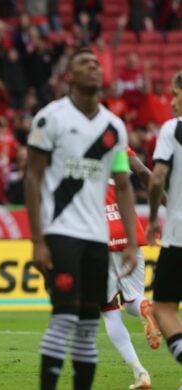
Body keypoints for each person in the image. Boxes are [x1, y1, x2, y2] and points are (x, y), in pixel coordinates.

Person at [24, 47, 138, 390]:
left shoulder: (114, 128)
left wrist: (132, 242)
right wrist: (38, 240)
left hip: (97, 238)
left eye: (96, 63)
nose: (93, 67)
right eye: (84, 63)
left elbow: (123, 184)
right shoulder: (50, 118)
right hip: (60, 234)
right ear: (69, 77)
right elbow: (33, 177)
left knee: (90, 326)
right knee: (63, 318)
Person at [101, 147, 162, 390]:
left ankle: (140, 373)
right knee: (132, 299)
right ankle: (145, 306)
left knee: (108, 309)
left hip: (99, 232)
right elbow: (142, 171)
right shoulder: (117, 140)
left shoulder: (72, 142)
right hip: (127, 229)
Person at [146, 69, 182, 368]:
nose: (172, 103)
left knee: (164, 308)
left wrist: (153, 217)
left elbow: (157, 179)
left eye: (176, 95)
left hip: (179, 235)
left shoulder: (173, 129)